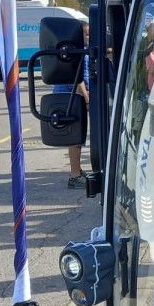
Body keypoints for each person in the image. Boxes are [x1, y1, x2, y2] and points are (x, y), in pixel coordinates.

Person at [51, 23, 91, 189]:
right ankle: (74, 175)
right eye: (86, 34)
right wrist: (87, 98)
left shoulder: (82, 51)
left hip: (75, 96)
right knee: (75, 136)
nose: (89, 37)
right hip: (71, 97)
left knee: (79, 135)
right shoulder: (74, 53)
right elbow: (77, 78)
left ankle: (77, 170)